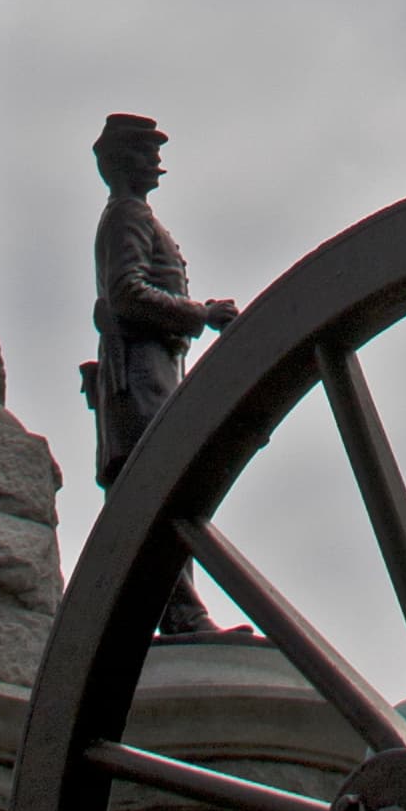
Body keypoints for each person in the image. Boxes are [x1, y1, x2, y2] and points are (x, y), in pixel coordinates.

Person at [86, 111, 238, 639]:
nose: (157, 164)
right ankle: (182, 616)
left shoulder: (136, 216)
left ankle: (177, 617)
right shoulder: (126, 216)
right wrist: (200, 314)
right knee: (156, 490)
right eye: (148, 154)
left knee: (165, 488)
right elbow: (124, 293)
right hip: (140, 374)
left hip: (156, 367)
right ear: (124, 162)